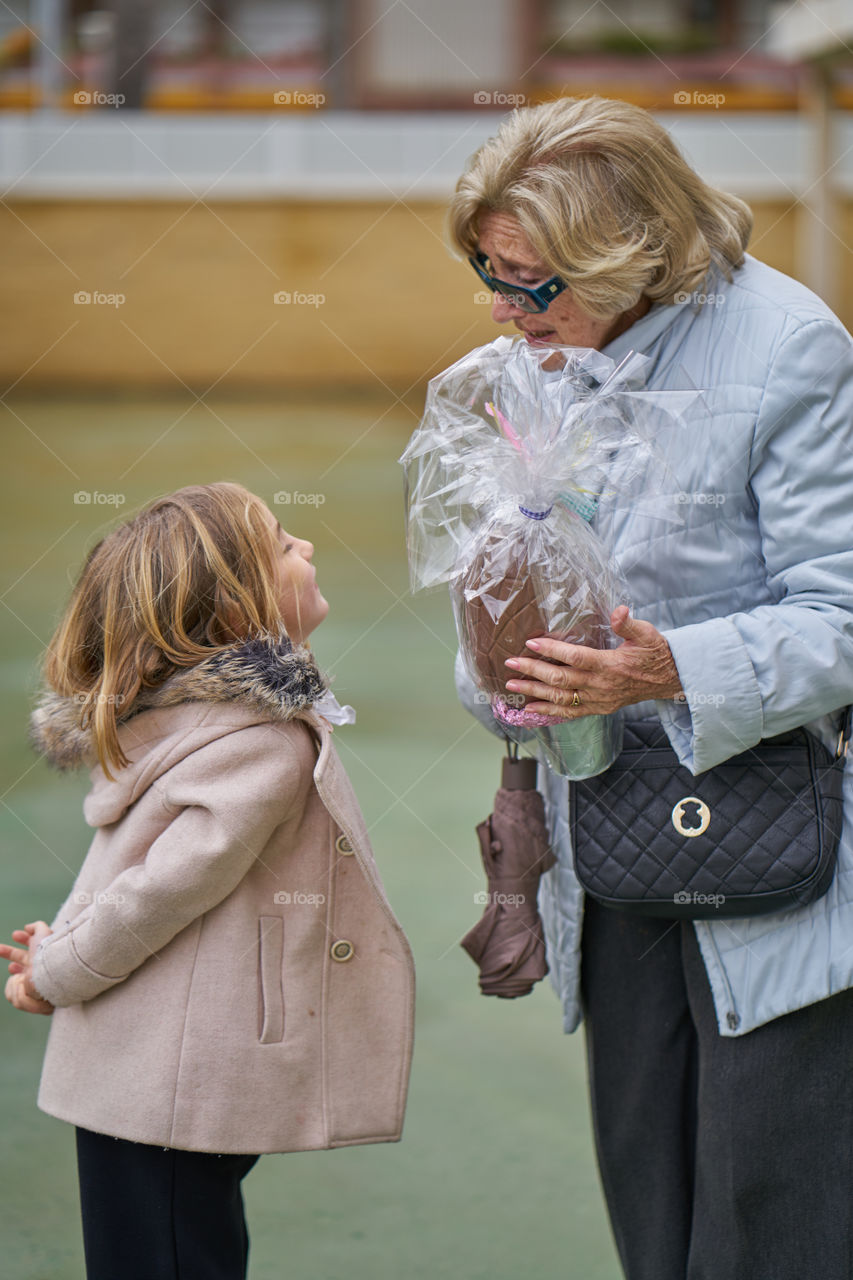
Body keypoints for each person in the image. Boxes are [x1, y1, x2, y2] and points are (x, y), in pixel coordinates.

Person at [447, 95, 853, 1279]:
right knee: (651, 1192)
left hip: (778, 837)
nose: (499, 309)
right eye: (486, 270)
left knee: (770, 1208)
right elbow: (501, 635)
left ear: (630, 255)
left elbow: (840, 614)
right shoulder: (523, 362)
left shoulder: (788, 345)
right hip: (609, 835)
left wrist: (670, 666)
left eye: (530, 284)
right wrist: (505, 668)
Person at [1, 481, 415, 1280]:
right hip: (166, 1089)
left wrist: (58, 954)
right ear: (234, 609)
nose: (310, 549)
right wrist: (54, 973)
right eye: (285, 545)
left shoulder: (176, 722)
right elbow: (157, 891)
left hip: (151, 1078)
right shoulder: (256, 741)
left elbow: (133, 874)